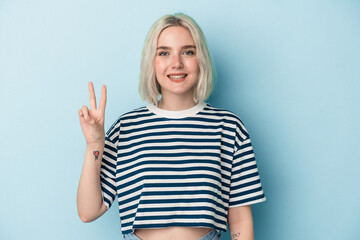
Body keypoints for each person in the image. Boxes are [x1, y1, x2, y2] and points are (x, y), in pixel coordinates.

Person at [77, 13, 266, 240]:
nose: (176, 63)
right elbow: (88, 212)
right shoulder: (126, 128)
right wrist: (94, 145)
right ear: (152, 62)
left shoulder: (228, 128)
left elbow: (240, 220)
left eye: (188, 52)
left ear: (201, 60)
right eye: (164, 53)